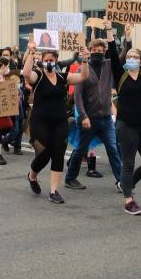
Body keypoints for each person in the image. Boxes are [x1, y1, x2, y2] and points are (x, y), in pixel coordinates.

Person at [22, 37, 88, 204]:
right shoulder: (38, 76)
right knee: (44, 154)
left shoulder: (62, 77)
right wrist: (31, 52)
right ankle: (32, 175)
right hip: (40, 121)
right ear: (42, 61)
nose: (49, 63)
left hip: (59, 121)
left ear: (56, 60)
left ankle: (54, 191)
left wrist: (85, 59)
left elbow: (83, 77)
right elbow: (27, 74)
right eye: (46, 60)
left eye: (52, 60)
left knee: (58, 154)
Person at [65, 32, 123, 191]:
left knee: (113, 149)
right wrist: (83, 116)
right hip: (88, 119)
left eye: (101, 50)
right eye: (94, 50)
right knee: (81, 149)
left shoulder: (109, 65)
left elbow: (121, 57)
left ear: (104, 51)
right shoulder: (82, 70)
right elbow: (77, 97)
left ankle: (121, 181)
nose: (98, 52)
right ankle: (70, 178)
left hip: (105, 119)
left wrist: (125, 37)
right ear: (89, 51)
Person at [114, 25, 141, 214]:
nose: (132, 58)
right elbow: (111, 51)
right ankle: (128, 200)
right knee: (128, 163)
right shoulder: (120, 75)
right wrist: (125, 36)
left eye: (135, 57)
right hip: (126, 126)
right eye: (129, 56)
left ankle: (127, 184)